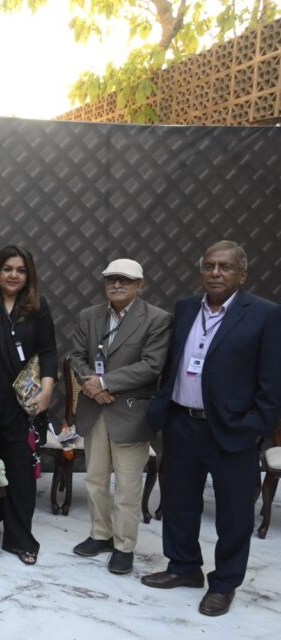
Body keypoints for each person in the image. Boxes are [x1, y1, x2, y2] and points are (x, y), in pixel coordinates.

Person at [142, 241, 281, 616]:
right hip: (182, 423)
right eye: (208, 266)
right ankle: (184, 567)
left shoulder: (265, 314)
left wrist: (254, 427)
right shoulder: (186, 307)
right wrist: (164, 409)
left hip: (232, 431)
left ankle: (224, 584)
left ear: (242, 275)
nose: (215, 272)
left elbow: (272, 382)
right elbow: (174, 362)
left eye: (225, 267)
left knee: (234, 514)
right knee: (178, 503)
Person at [67, 258, 172, 575]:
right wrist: (92, 386)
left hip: (130, 413)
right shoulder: (89, 316)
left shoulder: (157, 319)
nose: (117, 284)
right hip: (94, 409)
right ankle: (101, 535)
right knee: (95, 480)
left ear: (140, 285)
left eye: (125, 280)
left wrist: (105, 383)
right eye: (111, 279)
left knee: (127, 487)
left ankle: (124, 546)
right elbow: (76, 356)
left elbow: (152, 365)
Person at [0, 245, 57, 565]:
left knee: (20, 471)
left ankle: (20, 538)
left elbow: (48, 351)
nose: (13, 275)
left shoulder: (37, 306)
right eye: (7, 268)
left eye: (20, 270)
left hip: (22, 403)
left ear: (28, 275)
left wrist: (46, 390)